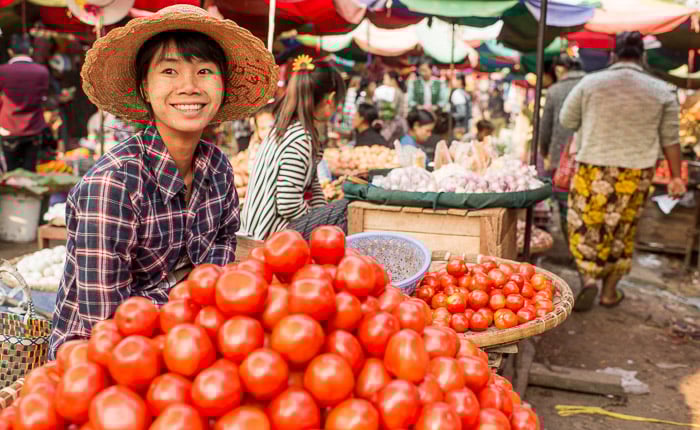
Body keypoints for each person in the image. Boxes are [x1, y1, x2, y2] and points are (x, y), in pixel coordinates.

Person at [49, 5, 278, 357]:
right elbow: (107, 323)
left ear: (222, 85)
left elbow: (222, 244)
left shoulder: (217, 168)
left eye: (204, 71)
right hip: (97, 356)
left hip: (183, 339)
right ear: (144, 88)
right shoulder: (114, 185)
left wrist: (197, 306)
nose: (189, 87)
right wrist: (184, 301)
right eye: (169, 71)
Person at [560, 31, 686, 312]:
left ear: (613, 55)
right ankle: (609, 292)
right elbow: (671, 139)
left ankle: (589, 278)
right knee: (621, 228)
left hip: (593, 168)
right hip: (636, 172)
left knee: (587, 225)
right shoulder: (662, 90)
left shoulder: (590, 83)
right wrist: (677, 176)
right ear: (642, 56)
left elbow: (567, 119)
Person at [241, 56, 348, 241]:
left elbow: (314, 189)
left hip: (261, 230)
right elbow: (288, 204)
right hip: (268, 235)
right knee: (345, 209)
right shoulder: (300, 139)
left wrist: (322, 214)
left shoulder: (288, 130)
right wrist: (322, 226)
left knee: (333, 211)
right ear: (330, 99)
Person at [539, 53, 586, 245]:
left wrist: (545, 153)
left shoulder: (555, 91)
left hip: (561, 160)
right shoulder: (591, 86)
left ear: (560, 69)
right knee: (585, 206)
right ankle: (584, 244)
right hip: (588, 158)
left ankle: (572, 245)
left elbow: (545, 128)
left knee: (565, 206)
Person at [0, 34, 52, 172]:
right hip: (34, 128)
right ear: (30, 51)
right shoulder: (42, 71)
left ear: (10, 51)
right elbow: (43, 98)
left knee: (10, 174)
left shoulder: (3, 71)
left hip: (8, 128)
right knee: (30, 173)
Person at [374, 71, 408, 143]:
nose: (383, 81)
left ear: (392, 80)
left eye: (385, 79)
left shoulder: (396, 92)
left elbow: (393, 111)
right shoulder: (395, 91)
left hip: (394, 125)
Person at [247, 102, 275, 172]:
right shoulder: (256, 147)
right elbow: (252, 169)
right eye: (262, 128)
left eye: (271, 126)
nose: (268, 132)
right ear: (257, 130)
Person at [449, 72, 472, 139]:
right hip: (465, 126)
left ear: (459, 81)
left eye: (453, 79)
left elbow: (461, 113)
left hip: (458, 127)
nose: (451, 81)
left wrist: (449, 116)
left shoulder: (457, 93)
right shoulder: (464, 92)